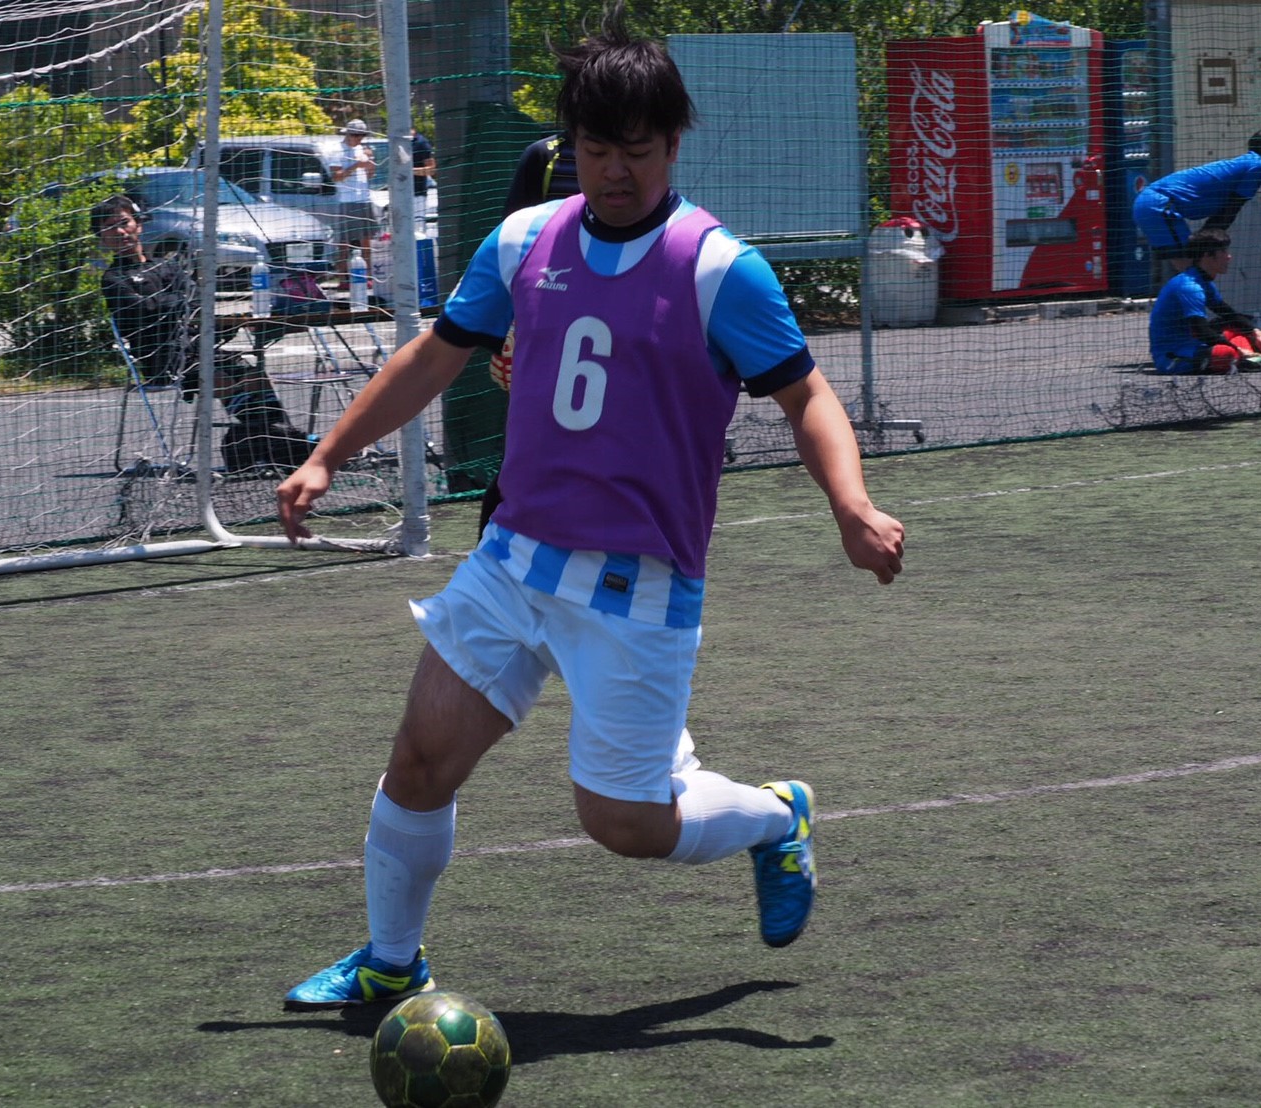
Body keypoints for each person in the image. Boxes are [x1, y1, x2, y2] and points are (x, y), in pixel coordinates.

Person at [275, 5, 905, 1010]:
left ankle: (775, 817)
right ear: (570, 143)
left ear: (674, 143)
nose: (616, 171)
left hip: (636, 586)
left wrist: (851, 506)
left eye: (638, 151)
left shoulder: (718, 268)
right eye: (597, 149)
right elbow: (434, 357)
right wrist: (326, 456)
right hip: (513, 559)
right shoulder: (524, 239)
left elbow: (808, 398)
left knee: (624, 824)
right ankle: (391, 961)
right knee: (421, 759)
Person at [92, 194, 313, 472]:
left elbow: (197, 301)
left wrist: (180, 307)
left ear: (139, 224)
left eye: (124, 223)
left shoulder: (167, 265)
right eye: (110, 227)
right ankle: (288, 445)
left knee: (251, 372)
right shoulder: (114, 279)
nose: (120, 232)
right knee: (222, 376)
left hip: (200, 348)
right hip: (162, 358)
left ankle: (275, 443)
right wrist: (176, 304)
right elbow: (145, 310)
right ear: (101, 237)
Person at [477, 132, 582, 537]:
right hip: (545, 325)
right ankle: (491, 545)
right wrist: (513, 325)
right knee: (529, 448)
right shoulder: (546, 156)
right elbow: (516, 243)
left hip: (608, 326)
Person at [1132, 126, 1261, 274]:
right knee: (1193, 270)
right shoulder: (1260, 166)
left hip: (1151, 203)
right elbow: (1231, 209)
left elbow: (1224, 213)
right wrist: (1206, 241)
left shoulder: (1247, 163)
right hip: (1159, 204)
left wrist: (1203, 240)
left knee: (1189, 269)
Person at [1148, 228, 1261, 375]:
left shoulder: (1203, 281)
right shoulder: (1190, 287)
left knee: (1239, 330)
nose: (1229, 257)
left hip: (1195, 345)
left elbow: (1228, 314)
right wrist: (1239, 349)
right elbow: (1200, 330)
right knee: (1226, 353)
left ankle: (1244, 357)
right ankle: (1242, 357)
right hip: (1174, 356)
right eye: (1223, 252)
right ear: (1207, 256)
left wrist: (1256, 333)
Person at [330, 119, 379, 287]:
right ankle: (343, 278)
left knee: (366, 241)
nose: (359, 139)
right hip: (347, 200)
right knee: (344, 242)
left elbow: (369, 175)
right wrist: (356, 165)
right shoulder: (337, 151)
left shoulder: (362, 149)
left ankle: (368, 276)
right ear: (348, 134)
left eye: (362, 135)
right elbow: (336, 176)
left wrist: (370, 166)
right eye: (356, 135)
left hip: (364, 199)